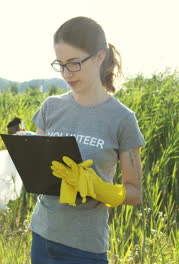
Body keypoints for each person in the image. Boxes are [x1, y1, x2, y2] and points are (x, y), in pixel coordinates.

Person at [29, 17, 145, 263]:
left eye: (74, 63)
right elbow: (39, 174)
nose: (66, 74)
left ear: (99, 57)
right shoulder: (51, 108)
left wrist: (98, 188)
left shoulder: (122, 119)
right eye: (60, 64)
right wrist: (25, 147)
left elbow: (134, 193)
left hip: (84, 249)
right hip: (41, 236)